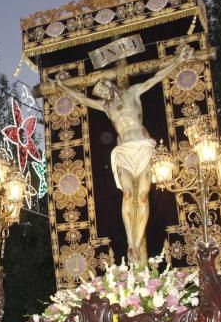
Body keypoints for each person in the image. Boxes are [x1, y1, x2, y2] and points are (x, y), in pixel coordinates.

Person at [49, 45, 196, 266]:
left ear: (112, 86)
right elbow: (82, 99)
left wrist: (178, 60)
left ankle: (138, 240)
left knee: (143, 196)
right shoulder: (107, 107)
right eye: (103, 94)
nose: (106, 96)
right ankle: (131, 243)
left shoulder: (132, 92)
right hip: (124, 152)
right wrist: (62, 86)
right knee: (128, 194)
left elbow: (156, 78)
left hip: (143, 148)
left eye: (106, 91)